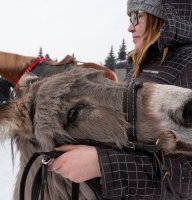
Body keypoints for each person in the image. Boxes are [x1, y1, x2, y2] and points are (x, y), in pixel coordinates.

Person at [48, 0, 192, 199]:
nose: (130, 27)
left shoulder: (188, 64)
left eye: (137, 17)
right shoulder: (141, 63)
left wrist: (103, 164)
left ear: (165, 17)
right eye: (129, 18)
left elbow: (188, 176)